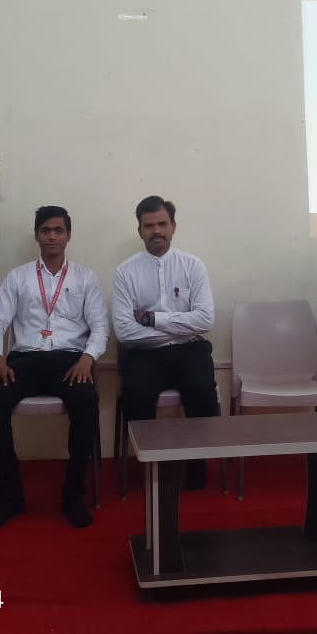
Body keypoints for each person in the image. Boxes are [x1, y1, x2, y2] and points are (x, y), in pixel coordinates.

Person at [0, 206, 109, 529]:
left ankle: (73, 496)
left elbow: (100, 327)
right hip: (25, 361)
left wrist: (87, 358)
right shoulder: (18, 277)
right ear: (36, 235)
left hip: (70, 361)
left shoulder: (85, 278)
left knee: (86, 402)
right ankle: (10, 496)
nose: (52, 236)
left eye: (59, 230)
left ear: (68, 236)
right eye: (46, 230)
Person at [113, 196, 218, 490]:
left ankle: (196, 466)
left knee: (201, 391)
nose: (156, 231)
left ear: (173, 226)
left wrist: (152, 319)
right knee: (135, 394)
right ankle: (154, 468)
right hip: (146, 354)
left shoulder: (193, 266)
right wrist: (179, 328)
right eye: (149, 226)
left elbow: (206, 320)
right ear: (140, 231)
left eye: (162, 223)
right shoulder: (125, 272)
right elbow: (124, 331)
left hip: (190, 351)